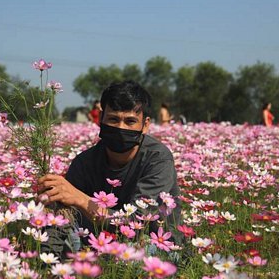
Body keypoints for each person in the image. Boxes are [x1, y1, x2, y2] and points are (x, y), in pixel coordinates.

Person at [38, 81, 182, 255]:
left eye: (130, 121)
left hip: (153, 243)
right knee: (66, 242)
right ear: (100, 119)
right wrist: (46, 259)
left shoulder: (157, 159)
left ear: (145, 125)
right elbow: (63, 217)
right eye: (113, 119)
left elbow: (136, 223)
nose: (120, 127)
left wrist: (82, 200)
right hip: (97, 244)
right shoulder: (84, 162)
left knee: (137, 257)